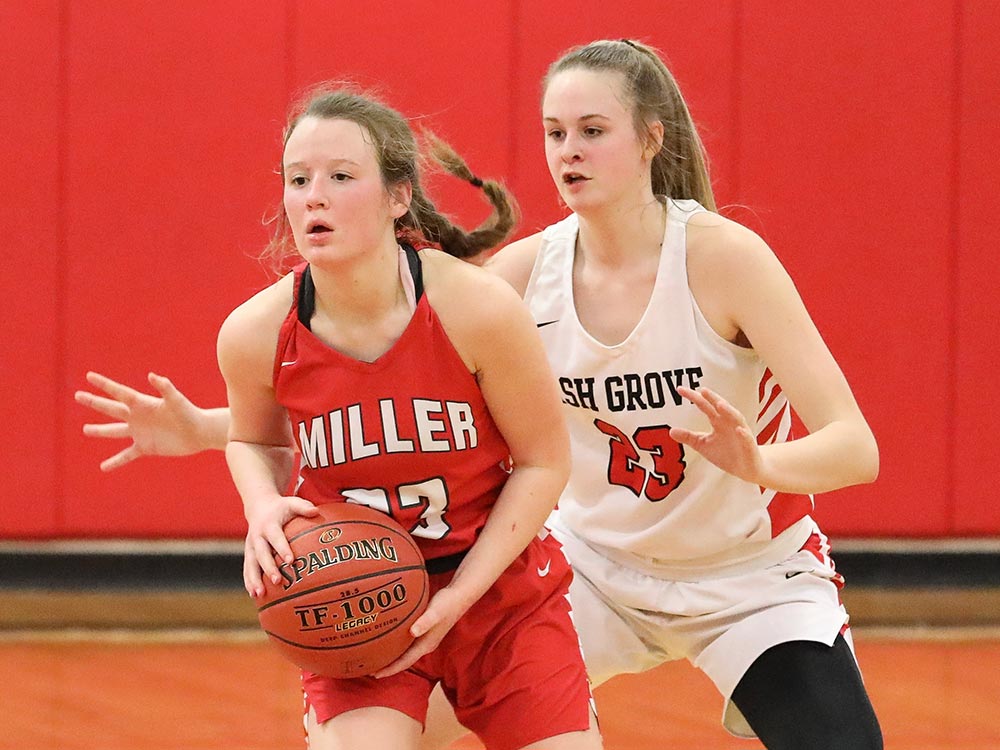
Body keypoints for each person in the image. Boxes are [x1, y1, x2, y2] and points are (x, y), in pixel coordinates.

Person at [77, 40, 882, 750]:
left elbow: (857, 448)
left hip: (743, 575)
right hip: (592, 571)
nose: (568, 151)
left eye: (593, 131)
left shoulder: (723, 257)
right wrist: (210, 431)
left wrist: (760, 461)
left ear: (651, 139)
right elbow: (388, 404)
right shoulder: (521, 277)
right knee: (384, 719)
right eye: (554, 133)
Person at [122, 84, 603, 750]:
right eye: (298, 179)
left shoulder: (477, 309)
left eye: (341, 176)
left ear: (397, 196)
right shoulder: (256, 332)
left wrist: (460, 595)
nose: (313, 195)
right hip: (354, 603)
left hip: (498, 597)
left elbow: (545, 461)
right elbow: (253, 439)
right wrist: (262, 505)